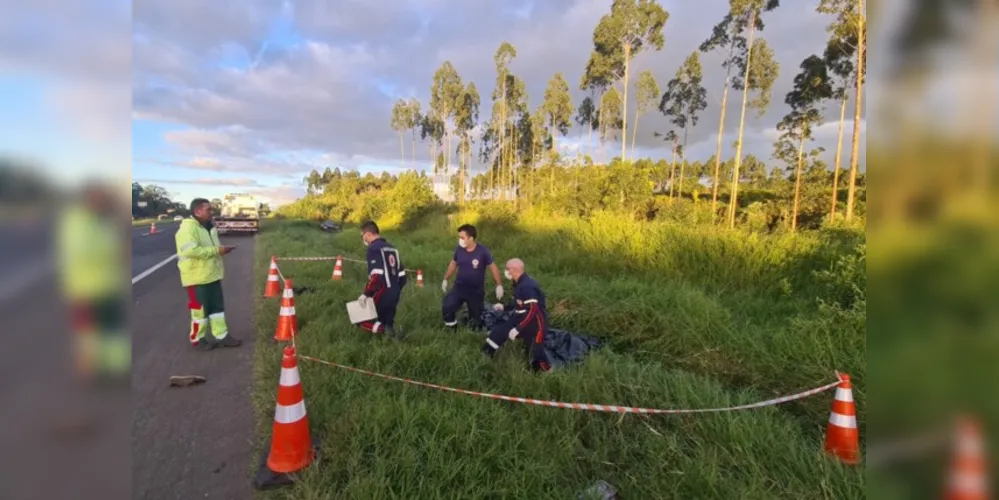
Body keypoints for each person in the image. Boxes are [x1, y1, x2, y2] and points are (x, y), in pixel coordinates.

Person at [57, 180, 130, 383]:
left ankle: (115, 370)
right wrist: (115, 253)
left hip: (108, 285)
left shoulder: (103, 221)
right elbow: (80, 251)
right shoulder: (77, 221)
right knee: (89, 333)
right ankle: (92, 372)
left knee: (113, 330)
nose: (104, 201)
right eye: (100, 197)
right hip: (86, 287)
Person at [175, 198, 241, 350]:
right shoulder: (188, 228)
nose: (212, 212)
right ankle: (198, 339)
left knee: (217, 309)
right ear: (197, 211)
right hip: (195, 278)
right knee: (199, 312)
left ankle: (222, 336)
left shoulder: (209, 227)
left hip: (211, 275)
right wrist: (217, 250)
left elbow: (212, 248)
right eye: (208, 209)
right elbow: (190, 251)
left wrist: (222, 249)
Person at [481, 258, 552, 372]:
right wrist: (504, 307)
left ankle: (547, 371)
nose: (506, 271)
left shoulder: (528, 286)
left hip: (535, 324)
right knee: (498, 333)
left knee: (535, 352)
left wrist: (518, 328)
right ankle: (485, 357)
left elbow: (533, 310)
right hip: (519, 317)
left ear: (513, 270)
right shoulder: (518, 282)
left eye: (507, 269)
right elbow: (519, 302)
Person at [441, 224, 503, 330]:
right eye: (459, 237)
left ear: (471, 238)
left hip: (475, 290)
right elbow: (453, 263)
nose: (460, 240)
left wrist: (499, 285)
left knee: (476, 320)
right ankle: (452, 330)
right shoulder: (459, 249)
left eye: (462, 237)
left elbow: (492, 267)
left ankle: (474, 331)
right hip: (459, 287)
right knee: (447, 307)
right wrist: (445, 279)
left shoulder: (483, 251)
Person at [357, 220, 406, 340]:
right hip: (395, 291)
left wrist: (366, 294)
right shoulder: (393, 249)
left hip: (382, 291)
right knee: (387, 320)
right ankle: (391, 337)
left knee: (361, 320)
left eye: (363, 236)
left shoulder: (373, 248)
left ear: (368, 234)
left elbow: (376, 275)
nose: (364, 240)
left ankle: (385, 333)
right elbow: (402, 276)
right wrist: (396, 289)